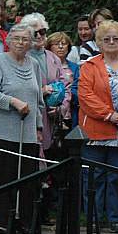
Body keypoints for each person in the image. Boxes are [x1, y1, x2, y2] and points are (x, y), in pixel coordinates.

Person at [0, 23, 45, 234]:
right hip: (2, 130)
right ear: (8, 41)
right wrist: (13, 102)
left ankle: (26, 221)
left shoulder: (34, 63)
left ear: (31, 42)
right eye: (16, 38)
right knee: (5, 177)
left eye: (25, 39)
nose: (20, 42)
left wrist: (38, 126)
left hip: (28, 132)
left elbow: (38, 100)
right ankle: (3, 222)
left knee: (28, 178)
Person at [78, 21, 118, 233]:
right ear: (98, 43)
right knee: (93, 176)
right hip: (95, 131)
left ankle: (115, 218)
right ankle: (93, 218)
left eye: (116, 39)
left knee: (117, 177)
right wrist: (109, 115)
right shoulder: (89, 66)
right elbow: (85, 97)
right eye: (106, 39)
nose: (111, 42)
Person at [21, 13, 71, 155]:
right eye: (33, 32)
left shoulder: (53, 58)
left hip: (51, 120)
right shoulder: (20, 58)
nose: (38, 36)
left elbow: (65, 86)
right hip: (28, 119)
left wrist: (61, 108)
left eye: (42, 31)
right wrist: (40, 92)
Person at [46, 31, 80, 134]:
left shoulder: (75, 67)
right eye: (56, 44)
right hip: (48, 111)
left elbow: (77, 89)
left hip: (70, 112)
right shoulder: (44, 65)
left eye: (64, 44)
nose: (60, 47)